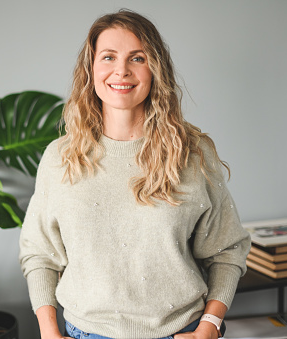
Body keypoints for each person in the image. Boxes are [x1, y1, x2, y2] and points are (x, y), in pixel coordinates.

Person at [19, 9, 251, 339]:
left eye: (137, 58)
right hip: (86, 333)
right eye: (108, 57)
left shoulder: (193, 153)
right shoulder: (60, 158)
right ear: (92, 69)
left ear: (155, 69)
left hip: (178, 331)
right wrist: (48, 333)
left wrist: (210, 326)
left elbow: (227, 250)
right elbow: (40, 254)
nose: (121, 71)